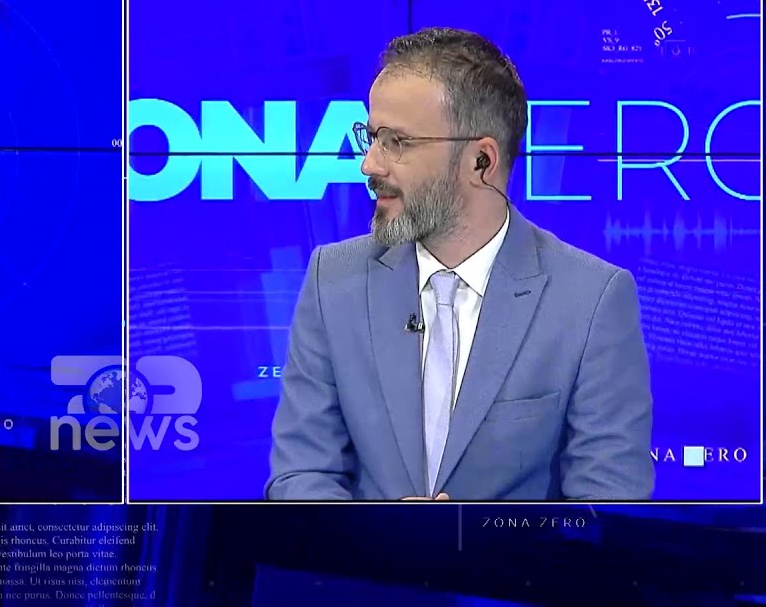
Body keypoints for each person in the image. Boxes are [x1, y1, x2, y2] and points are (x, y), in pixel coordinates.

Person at [266, 27, 653, 501]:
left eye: (397, 142)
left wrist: (478, 537)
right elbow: (301, 475)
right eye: (371, 137)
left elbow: (607, 507)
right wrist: (376, 535)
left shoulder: (592, 300)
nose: (369, 164)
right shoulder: (333, 280)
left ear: (480, 162)